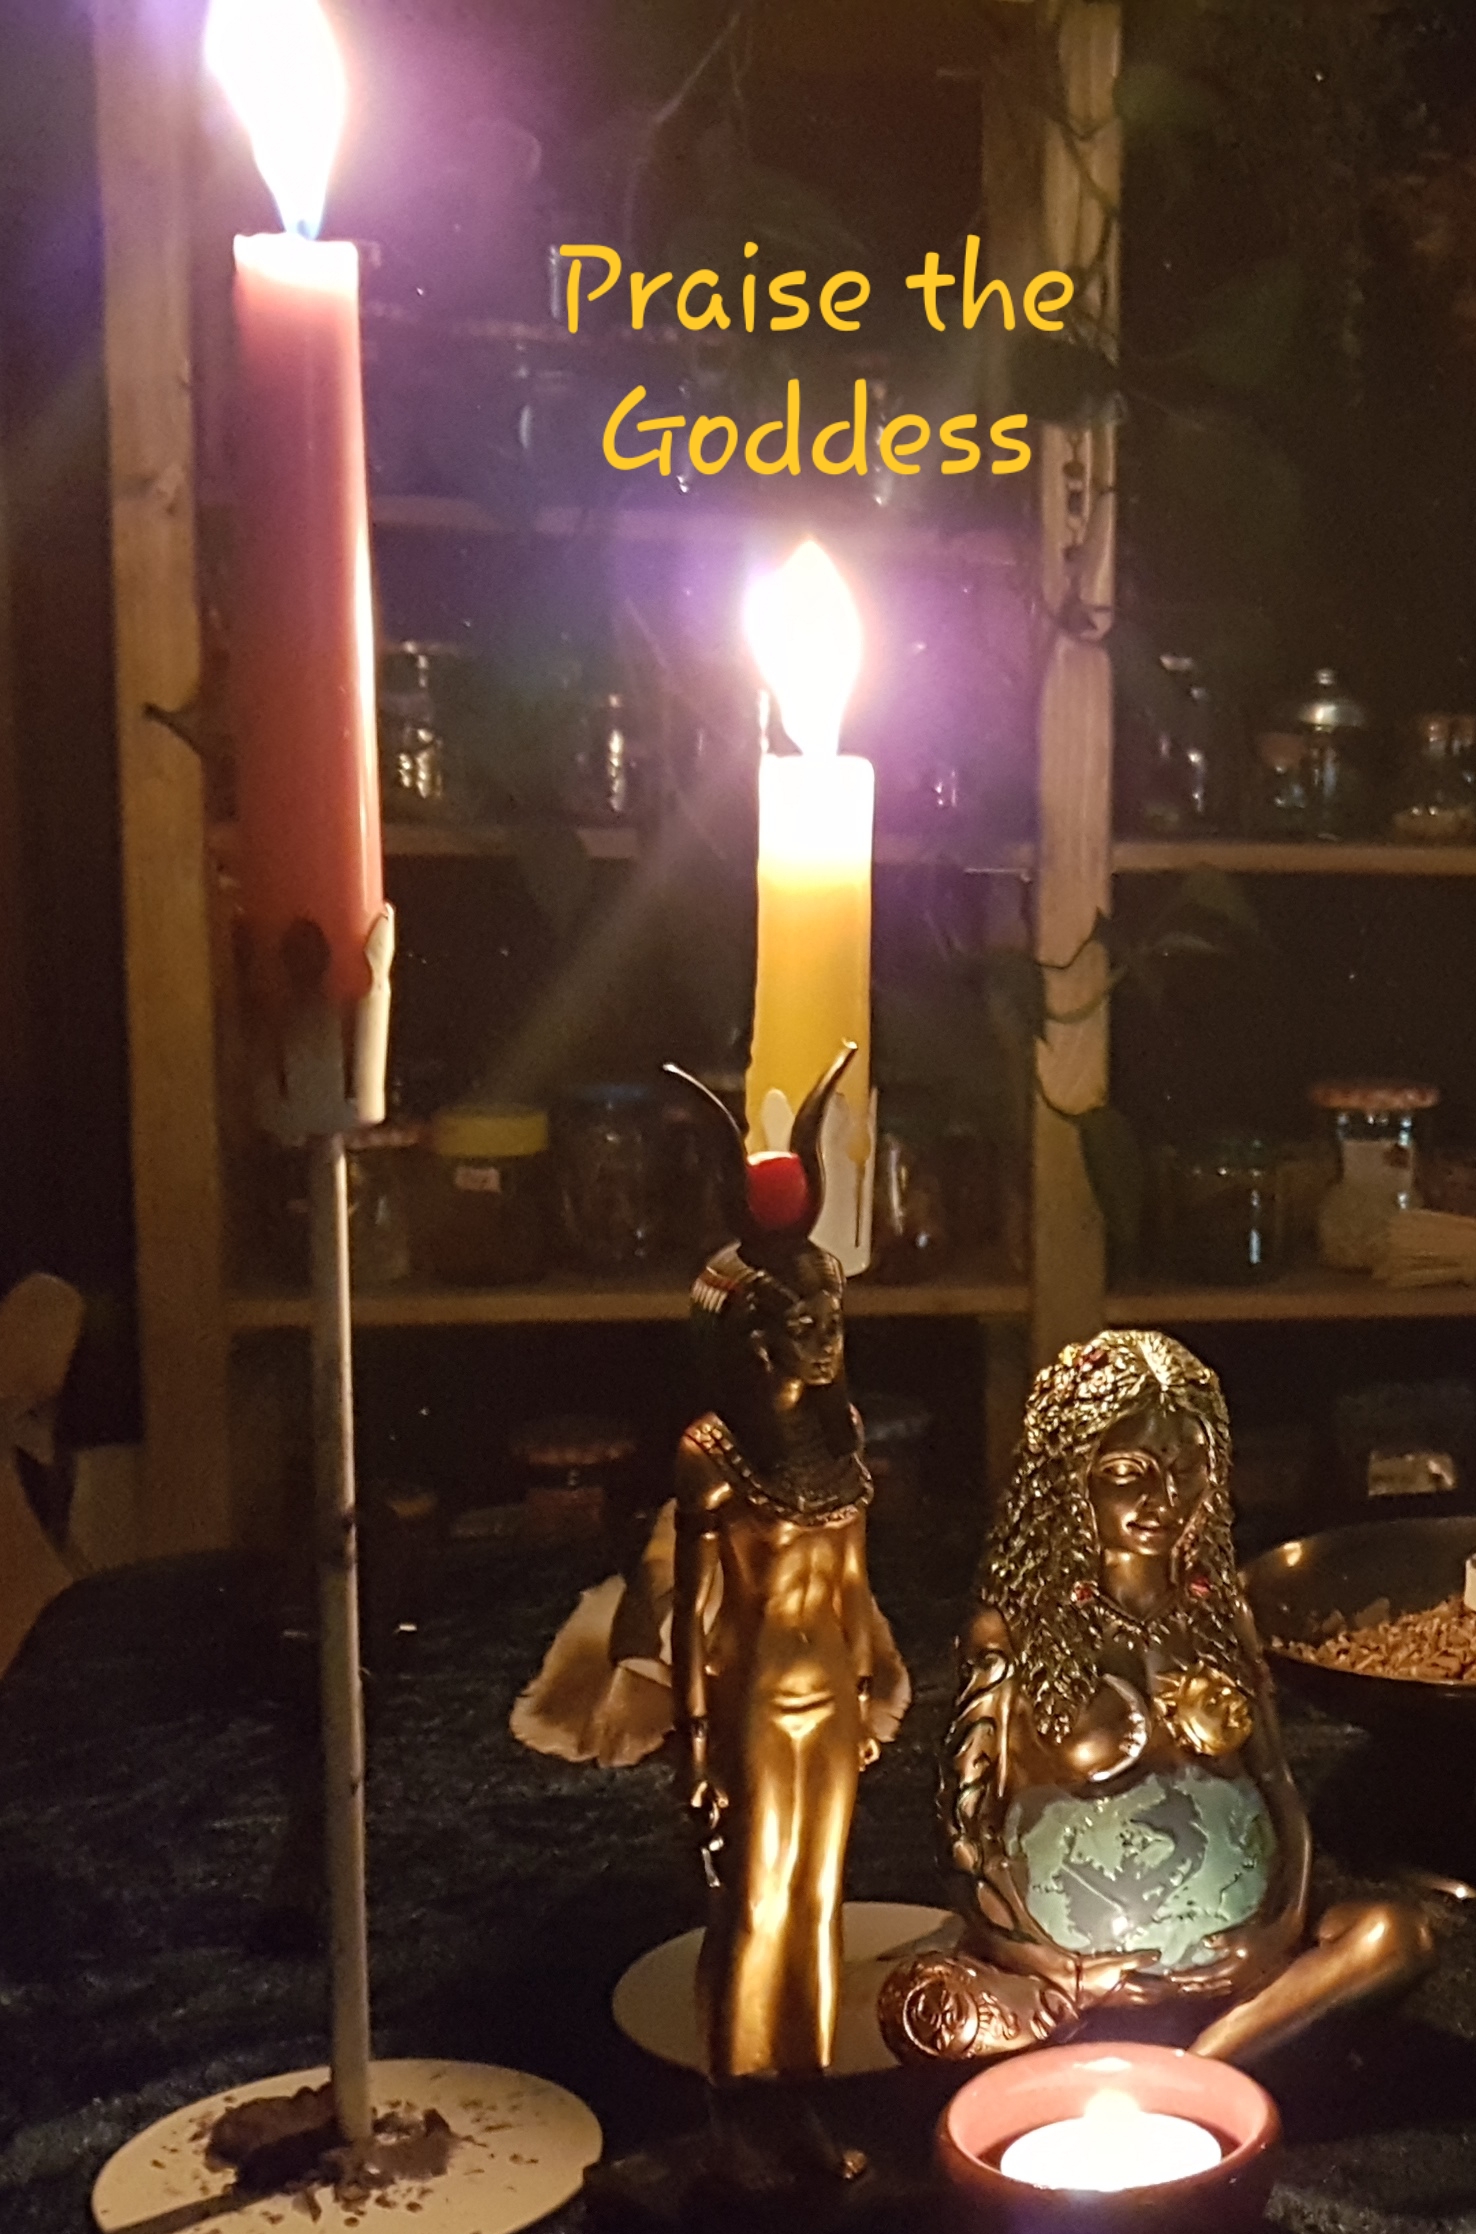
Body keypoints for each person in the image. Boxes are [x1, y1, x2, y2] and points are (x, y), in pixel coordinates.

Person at [880, 1328, 1432, 2067]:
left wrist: (1276, 1929)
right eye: (1127, 1474)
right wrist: (1053, 1965)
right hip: (1071, 1983)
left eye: (1186, 1471)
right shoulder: (1013, 1631)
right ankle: (1208, 2055)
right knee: (928, 2010)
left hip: (1237, 1971)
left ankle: (1202, 2062)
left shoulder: (1220, 1616)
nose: (1163, 1502)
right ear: (1068, 1477)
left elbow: (1278, 1786)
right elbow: (965, 1831)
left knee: (1396, 1935)